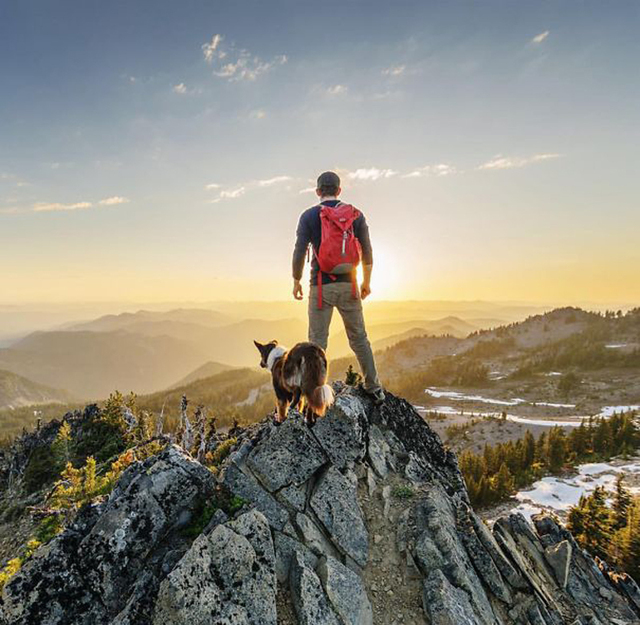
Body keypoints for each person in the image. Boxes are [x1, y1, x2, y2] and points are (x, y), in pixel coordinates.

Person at [291, 171, 385, 404]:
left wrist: (296, 280)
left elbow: (300, 250)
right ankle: (374, 387)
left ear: (318, 191)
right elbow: (368, 251)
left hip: (321, 287)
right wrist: (367, 282)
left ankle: (314, 395)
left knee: (317, 343)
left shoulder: (309, 216)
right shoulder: (355, 215)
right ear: (339, 190)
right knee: (360, 339)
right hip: (350, 285)